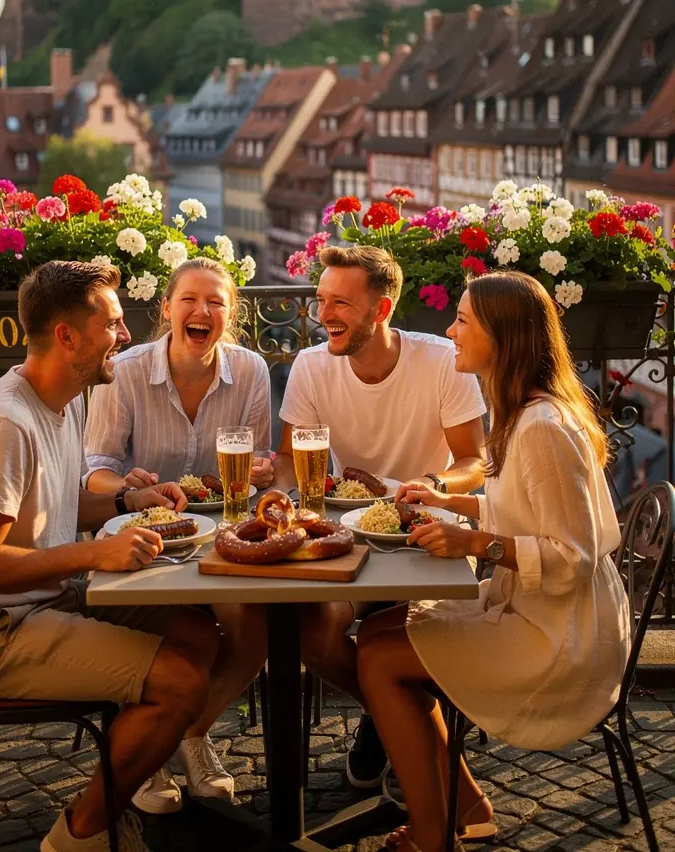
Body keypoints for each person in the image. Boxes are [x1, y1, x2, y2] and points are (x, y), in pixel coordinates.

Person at [0, 260, 220, 852]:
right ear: (67, 336)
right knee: (182, 680)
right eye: (111, 323)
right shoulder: (3, 424)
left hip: (43, 601)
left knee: (204, 634)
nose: (127, 335)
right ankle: (81, 833)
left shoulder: (66, 399)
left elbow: (56, 501)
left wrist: (128, 499)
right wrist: (96, 552)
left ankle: (135, 766)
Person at [357, 270, 632, 852]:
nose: (451, 331)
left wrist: (471, 543)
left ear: (501, 339)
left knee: (380, 659)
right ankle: (466, 806)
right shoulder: (523, 412)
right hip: (541, 611)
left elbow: (572, 557)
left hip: (561, 638)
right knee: (380, 632)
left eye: (463, 321)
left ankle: (433, 834)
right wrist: (447, 500)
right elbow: (523, 508)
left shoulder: (541, 429)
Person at [275, 244, 486, 788]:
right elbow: (290, 463)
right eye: (321, 300)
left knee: (418, 638)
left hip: (428, 536)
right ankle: (389, 716)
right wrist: (279, 495)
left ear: (382, 310)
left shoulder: (441, 360)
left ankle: (402, 734)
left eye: (341, 303)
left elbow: (475, 461)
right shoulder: (310, 366)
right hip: (352, 535)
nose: (324, 314)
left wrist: (432, 486)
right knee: (313, 632)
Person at [84, 257, 272, 814]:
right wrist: (126, 484)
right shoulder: (127, 369)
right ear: (166, 309)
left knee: (253, 624)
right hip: (144, 538)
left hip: (221, 539)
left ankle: (188, 735)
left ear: (230, 316)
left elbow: (260, 468)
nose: (202, 310)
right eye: (189, 299)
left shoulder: (252, 371)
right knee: (157, 631)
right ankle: (145, 748)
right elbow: (94, 466)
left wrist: (262, 472)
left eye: (216, 302)